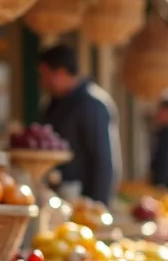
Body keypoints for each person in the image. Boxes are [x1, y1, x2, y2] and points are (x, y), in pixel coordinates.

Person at [36, 44, 121, 204]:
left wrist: (98, 206)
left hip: (82, 201)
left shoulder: (92, 104)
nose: (42, 82)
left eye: (44, 75)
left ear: (60, 72)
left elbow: (102, 160)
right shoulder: (53, 104)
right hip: (55, 199)